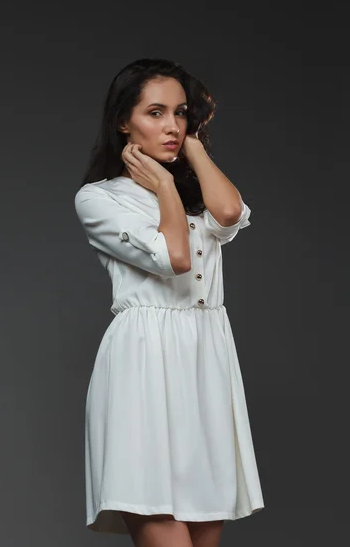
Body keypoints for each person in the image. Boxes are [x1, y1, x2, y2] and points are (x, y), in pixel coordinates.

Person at [74, 57, 264, 546]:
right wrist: (162, 184)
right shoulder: (100, 199)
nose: (172, 126)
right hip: (145, 360)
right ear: (124, 121)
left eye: (181, 113)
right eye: (155, 113)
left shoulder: (197, 190)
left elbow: (228, 212)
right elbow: (176, 257)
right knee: (159, 520)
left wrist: (193, 151)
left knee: (206, 528)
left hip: (206, 359)